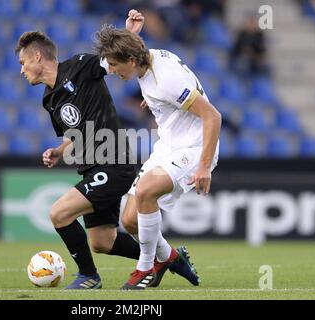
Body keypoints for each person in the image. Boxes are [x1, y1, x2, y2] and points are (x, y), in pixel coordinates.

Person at [95, 9, 222, 289]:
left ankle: (144, 269)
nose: (113, 72)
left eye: (115, 66)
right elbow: (138, 61)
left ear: (130, 60)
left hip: (195, 145)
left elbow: (213, 116)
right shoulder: (145, 58)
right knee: (129, 220)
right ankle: (170, 257)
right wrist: (130, 33)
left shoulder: (167, 81)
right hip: (169, 145)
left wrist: (203, 166)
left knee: (145, 191)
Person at [15, 29, 143, 289]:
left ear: (37, 57)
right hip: (91, 168)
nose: (21, 70)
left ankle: (88, 276)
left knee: (59, 213)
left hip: (114, 162)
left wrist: (131, 32)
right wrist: (60, 151)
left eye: (22, 62)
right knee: (102, 242)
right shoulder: (49, 99)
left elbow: (115, 58)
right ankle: (165, 258)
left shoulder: (81, 66)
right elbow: (74, 134)